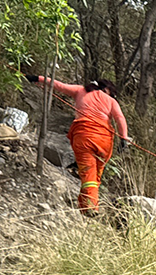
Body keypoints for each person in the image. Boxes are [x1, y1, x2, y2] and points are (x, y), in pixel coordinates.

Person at [26, 74, 130, 214]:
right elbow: (120, 118)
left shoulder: (81, 90)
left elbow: (59, 85)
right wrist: (123, 139)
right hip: (105, 141)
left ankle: (90, 208)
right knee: (95, 175)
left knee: (89, 174)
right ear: (108, 90)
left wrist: (37, 78)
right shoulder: (111, 101)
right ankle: (85, 206)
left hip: (84, 136)